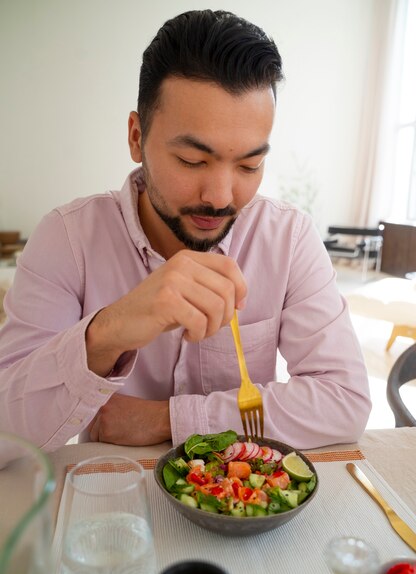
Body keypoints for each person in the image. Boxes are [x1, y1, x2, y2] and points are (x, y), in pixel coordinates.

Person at [0, 10, 371, 463]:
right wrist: (108, 332)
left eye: (249, 165)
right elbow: (5, 435)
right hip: (114, 508)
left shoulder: (287, 238)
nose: (219, 197)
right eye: (193, 161)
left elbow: (345, 401)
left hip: (247, 517)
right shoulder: (68, 238)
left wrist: (167, 420)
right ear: (137, 137)